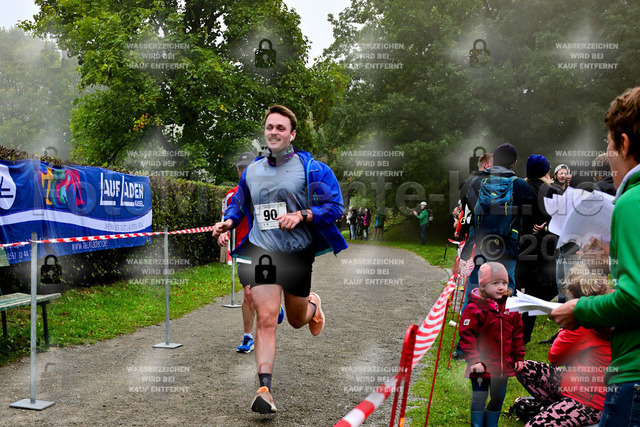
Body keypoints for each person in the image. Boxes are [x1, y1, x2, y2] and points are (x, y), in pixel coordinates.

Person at [212, 105, 347, 414]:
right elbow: (240, 204)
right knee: (267, 317)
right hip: (263, 251)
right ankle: (264, 389)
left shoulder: (312, 169)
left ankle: (313, 306)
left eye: (280, 128)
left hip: (297, 253)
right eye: (270, 127)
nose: (274, 132)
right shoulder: (253, 171)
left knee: (297, 320)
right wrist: (228, 222)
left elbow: (335, 206)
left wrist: (302, 215)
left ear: (292, 134)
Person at [550, 86, 640, 426]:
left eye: (608, 145)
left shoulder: (631, 201)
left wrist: (580, 309)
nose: (608, 156)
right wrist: (612, 257)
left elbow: (635, 298)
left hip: (633, 376)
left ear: (624, 144)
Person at [516, 264, 611, 427]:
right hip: (578, 383)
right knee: (523, 368)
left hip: (588, 400)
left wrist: (564, 326)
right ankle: (555, 408)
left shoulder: (580, 324)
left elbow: (555, 357)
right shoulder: (609, 307)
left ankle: (561, 411)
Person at [217, 152, 285, 353]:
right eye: (240, 168)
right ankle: (248, 337)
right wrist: (223, 233)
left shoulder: (268, 192)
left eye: (246, 167)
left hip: (267, 249)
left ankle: (274, 306)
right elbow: (227, 218)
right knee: (249, 293)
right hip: (245, 249)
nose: (243, 171)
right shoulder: (232, 194)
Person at [459, 262, 525, 427]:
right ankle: (477, 424)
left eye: (504, 283)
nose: (501, 287)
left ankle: (491, 424)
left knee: (498, 397)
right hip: (481, 366)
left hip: (502, 366)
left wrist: (519, 357)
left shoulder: (512, 308)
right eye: (495, 283)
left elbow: (517, 334)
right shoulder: (475, 308)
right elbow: (467, 336)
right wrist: (473, 360)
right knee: (479, 397)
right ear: (483, 285)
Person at [516, 154, 560, 344]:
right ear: (545, 171)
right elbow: (561, 220)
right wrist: (547, 228)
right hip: (544, 249)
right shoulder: (552, 191)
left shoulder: (520, 189)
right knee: (545, 289)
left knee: (522, 289)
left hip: (522, 247)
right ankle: (523, 333)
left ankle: (519, 333)